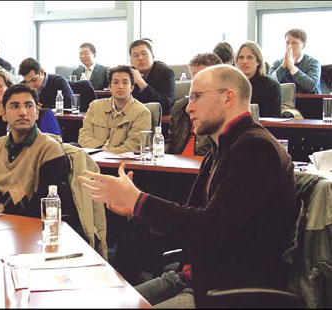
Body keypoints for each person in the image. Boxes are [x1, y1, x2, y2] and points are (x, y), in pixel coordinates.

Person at [79, 65, 298, 308]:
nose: (188, 107)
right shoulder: (221, 148)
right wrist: (135, 208)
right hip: (191, 277)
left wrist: (139, 201)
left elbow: (210, 227)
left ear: (228, 97)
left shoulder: (256, 150)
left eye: (196, 96)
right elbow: (190, 219)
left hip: (226, 288)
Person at [0, 84, 82, 233]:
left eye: (29, 106)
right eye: (14, 106)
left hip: (27, 231)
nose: (23, 112)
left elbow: (47, 203)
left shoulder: (49, 150)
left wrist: (6, 226)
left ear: (37, 113)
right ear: (4, 114)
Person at [78, 65, 151, 153]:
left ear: (132, 88)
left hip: (122, 161)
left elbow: (133, 146)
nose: (120, 86)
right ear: (110, 87)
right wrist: (100, 151)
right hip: (93, 158)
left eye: (125, 82)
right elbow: (84, 136)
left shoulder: (142, 112)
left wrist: (108, 153)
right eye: (116, 82)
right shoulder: (95, 106)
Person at [167, 53, 222, 156]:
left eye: (202, 75)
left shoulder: (222, 107)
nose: (197, 79)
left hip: (204, 165)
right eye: (194, 75)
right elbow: (171, 144)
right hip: (177, 164)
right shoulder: (180, 107)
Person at [129, 38, 175, 115]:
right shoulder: (129, 74)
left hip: (160, 118)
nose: (140, 58)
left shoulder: (166, 72)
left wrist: (141, 83)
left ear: (153, 56)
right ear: (131, 61)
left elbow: (166, 105)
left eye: (144, 53)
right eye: (136, 55)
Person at [236, 41, 282, 117]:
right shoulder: (230, 84)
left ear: (258, 61)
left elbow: (273, 119)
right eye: (241, 57)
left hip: (261, 128)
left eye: (249, 57)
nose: (244, 61)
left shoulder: (272, 86)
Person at [268, 28, 322, 94]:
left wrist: (292, 68)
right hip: (283, 102)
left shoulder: (313, 62)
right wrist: (283, 66)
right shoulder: (277, 63)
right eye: (287, 43)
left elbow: (311, 86)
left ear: (303, 46)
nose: (290, 46)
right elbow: (269, 85)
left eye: (294, 43)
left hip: (308, 101)